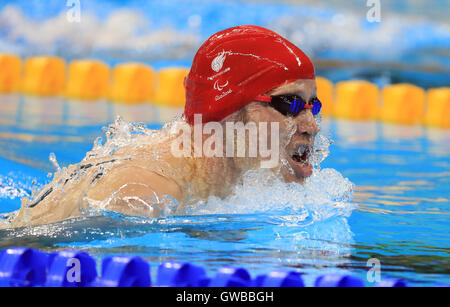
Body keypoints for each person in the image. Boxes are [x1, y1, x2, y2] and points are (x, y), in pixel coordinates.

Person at [3, 25, 321, 228]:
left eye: (312, 106)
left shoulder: (231, 178)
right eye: (290, 104)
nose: (311, 125)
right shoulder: (146, 192)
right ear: (226, 111)